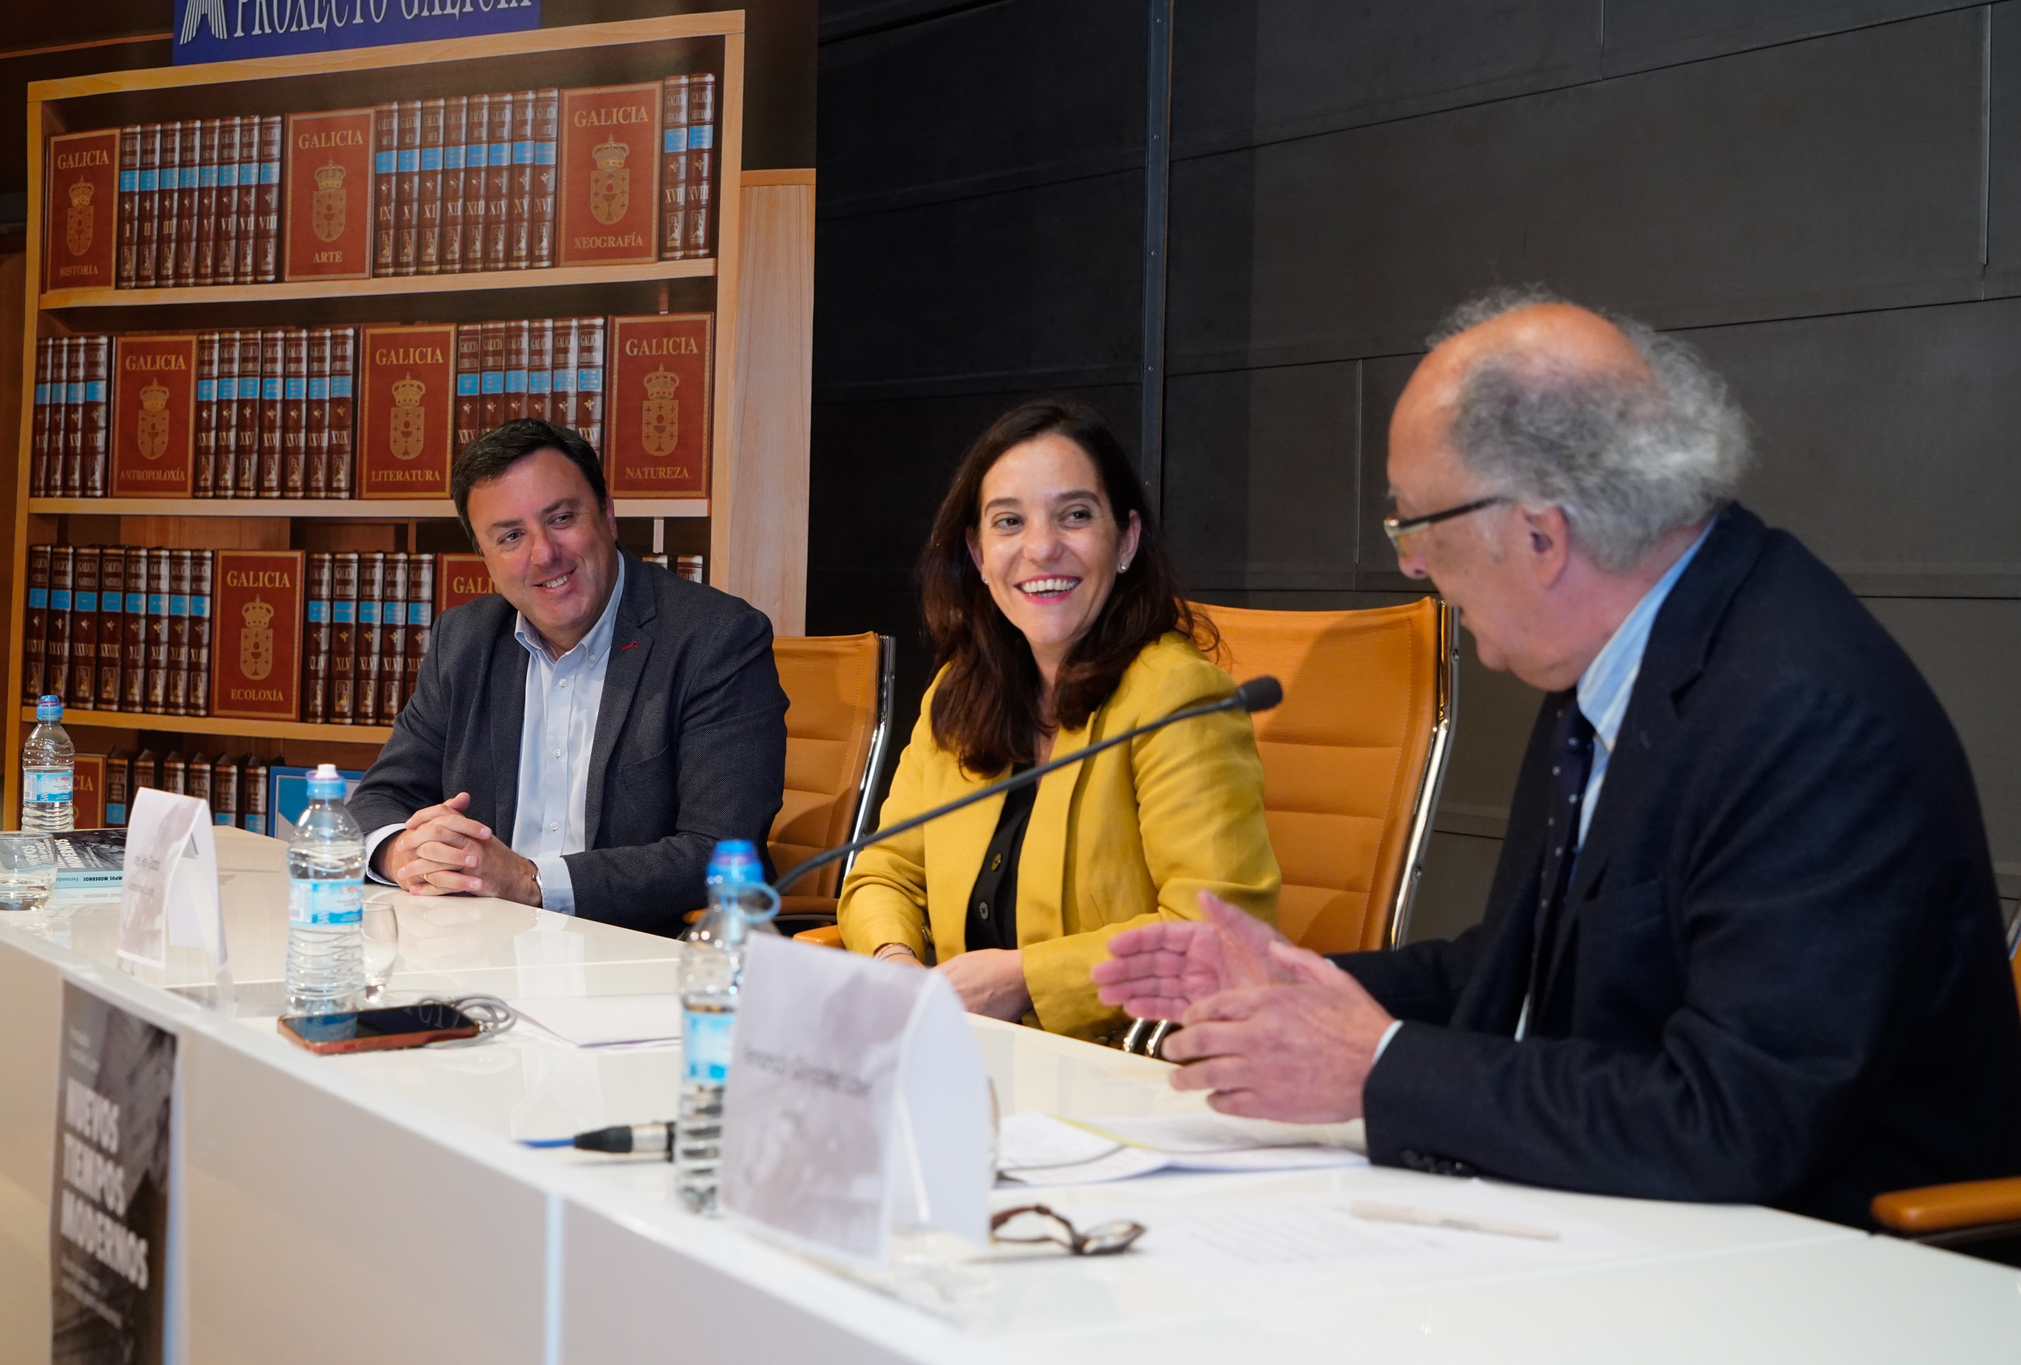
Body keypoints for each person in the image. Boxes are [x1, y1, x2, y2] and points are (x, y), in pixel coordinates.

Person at [1093, 289, 2021, 1227]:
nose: (1412, 565)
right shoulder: (1612, 652)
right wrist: (1303, 991)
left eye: (1416, 525)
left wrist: (1375, 1067)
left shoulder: (1806, 716)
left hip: (1836, 1264)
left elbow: (1731, 1123)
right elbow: (1522, 969)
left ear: (1540, 536)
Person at [838, 400, 1281, 1041]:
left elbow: (1220, 934)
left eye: (1075, 515)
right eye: (1009, 522)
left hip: (1123, 1068)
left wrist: (1027, 978)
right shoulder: (960, 691)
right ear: (978, 553)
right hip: (969, 1055)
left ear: (1125, 540)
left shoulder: (1178, 697)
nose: (1042, 547)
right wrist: (896, 963)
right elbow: (883, 873)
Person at [348, 418, 788, 937]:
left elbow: (721, 850)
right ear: (485, 559)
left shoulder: (715, 639)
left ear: (607, 514)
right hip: (477, 949)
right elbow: (378, 799)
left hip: (641, 956)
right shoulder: (465, 641)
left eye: (561, 518)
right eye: (511, 536)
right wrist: (405, 852)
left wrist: (528, 881)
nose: (543, 554)